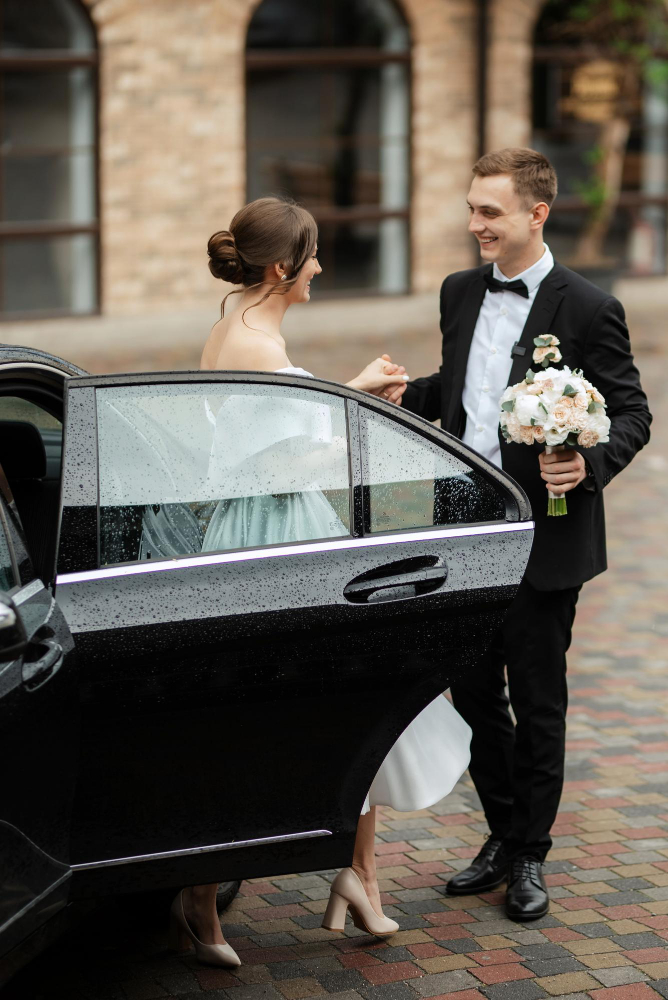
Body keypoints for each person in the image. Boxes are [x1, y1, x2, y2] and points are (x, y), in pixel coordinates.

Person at [169, 196, 472, 965]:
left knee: (351, 700)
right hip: (276, 538)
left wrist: (345, 393)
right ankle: (202, 897)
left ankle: (359, 878)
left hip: (286, 529)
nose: (320, 269)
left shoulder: (240, 321)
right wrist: (362, 400)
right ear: (282, 268)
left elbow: (274, 434)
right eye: (312, 257)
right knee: (267, 720)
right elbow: (285, 462)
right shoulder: (257, 346)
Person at [401, 147, 652, 922]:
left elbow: (632, 410)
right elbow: (464, 388)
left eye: (489, 212)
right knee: (475, 694)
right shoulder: (457, 292)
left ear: (536, 214)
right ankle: (504, 835)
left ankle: (531, 854)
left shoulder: (588, 307)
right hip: (464, 528)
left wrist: (592, 462)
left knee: (539, 702)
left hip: (545, 536)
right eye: (472, 208)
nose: (474, 224)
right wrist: (398, 393)